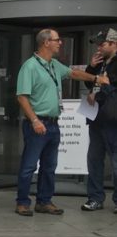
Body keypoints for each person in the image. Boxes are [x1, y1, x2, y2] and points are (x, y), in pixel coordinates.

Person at [15, 28, 103, 216]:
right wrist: (35, 120)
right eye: (57, 40)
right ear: (46, 43)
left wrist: (95, 77)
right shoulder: (30, 66)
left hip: (54, 124)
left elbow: (73, 74)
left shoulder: (54, 64)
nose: (60, 43)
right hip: (37, 124)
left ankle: (44, 202)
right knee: (29, 165)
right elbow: (22, 97)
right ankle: (22, 203)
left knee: (49, 166)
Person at [81, 27, 117, 213]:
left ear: (113, 44)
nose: (99, 48)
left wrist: (100, 94)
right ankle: (95, 198)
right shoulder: (102, 62)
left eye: (102, 44)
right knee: (94, 159)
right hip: (97, 119)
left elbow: (111, 88)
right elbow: (90, 82)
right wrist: (92, 67)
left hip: (113, 121)